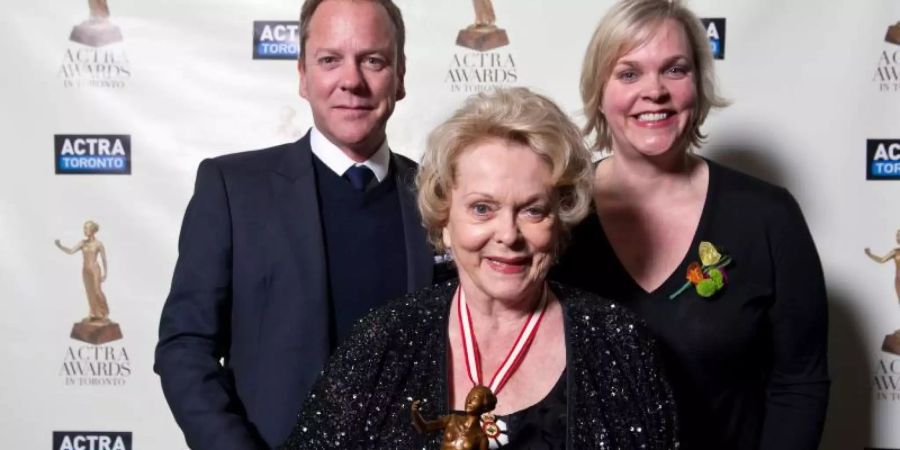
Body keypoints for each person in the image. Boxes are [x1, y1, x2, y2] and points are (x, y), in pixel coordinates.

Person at [281, 88, 678, 449]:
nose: (508, 234)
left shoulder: (620, 344)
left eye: (532, 210)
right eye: (482, 208)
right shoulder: (382, 341)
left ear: (559, 221)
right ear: (444, 221)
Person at [154, 1, 437, 448]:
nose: (351, 81)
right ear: (303, 76)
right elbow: (185, 347)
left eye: (373, 60)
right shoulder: (231, 188)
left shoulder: (442, 199)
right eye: (330, 60)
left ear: (400, 76)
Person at [554, 1, 830, 449]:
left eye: (675, 70)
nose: (654, 91)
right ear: (599, 92)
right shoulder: (558, 213)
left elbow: (799, 382)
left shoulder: (767, 216)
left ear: (698, 86)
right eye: (629, 73)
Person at [55, 220, 110, 322]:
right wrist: (60, 246)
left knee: (97, 291)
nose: (85, 230)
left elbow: (104, 259)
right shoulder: (82, 243)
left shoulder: (98, 244)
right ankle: (93, 313)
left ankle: (104, 312)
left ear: (93, 230)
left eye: (87, 228)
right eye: (84, 228)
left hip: (95, 270)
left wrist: (105, 273)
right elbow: (71, 251)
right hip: (85, 270)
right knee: (89, 292)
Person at [865, 229, 900, 302]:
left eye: (899, 235)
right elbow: (882, 260)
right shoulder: (895, 252)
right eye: (897, 235)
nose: (897, 237)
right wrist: (870, 254)